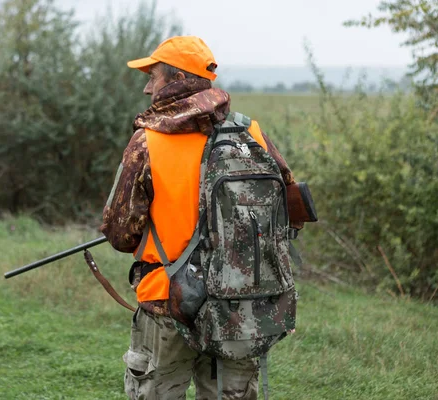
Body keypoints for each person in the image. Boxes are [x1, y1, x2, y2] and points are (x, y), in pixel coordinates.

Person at [100, 35, 299, 400]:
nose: (147, 88)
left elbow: (119, 234)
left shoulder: (148, 142)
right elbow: (291, 209)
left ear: (176, 80)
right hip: (239, 305)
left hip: (168, 301)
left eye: (153, 76)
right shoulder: (251, 133)